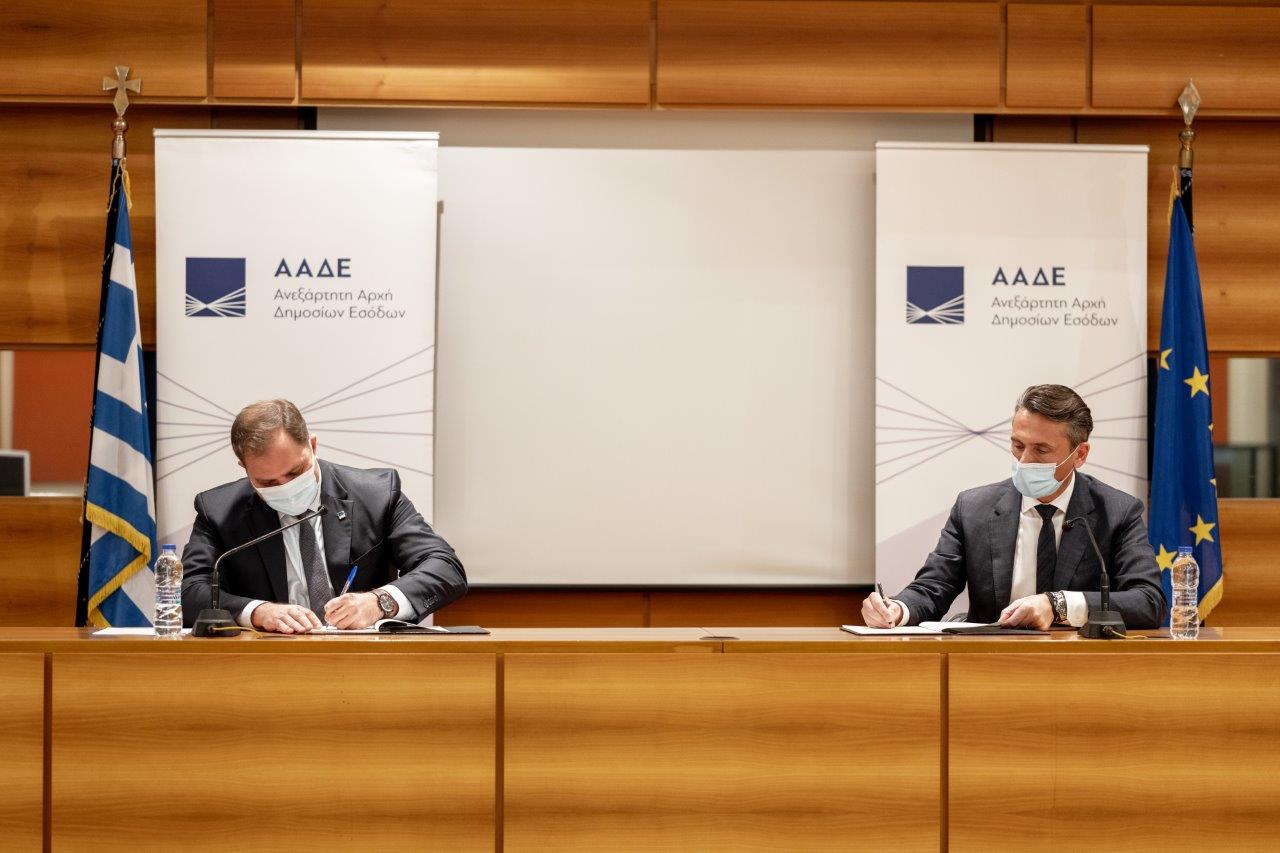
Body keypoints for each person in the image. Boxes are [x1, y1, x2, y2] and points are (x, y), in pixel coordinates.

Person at [863, 384, 1164, 630]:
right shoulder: (973, 508)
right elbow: (933, 587)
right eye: (1018, 445)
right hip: (990, 665)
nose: (1024, 461)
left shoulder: (1117, 511)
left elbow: (1148, 601)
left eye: (1041, 450)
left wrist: (1057, 604)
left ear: (1080, 454)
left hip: (1077, 667)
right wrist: (896, 609)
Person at [181, 399, 466, 633]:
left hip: (368, 659)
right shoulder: (218, 510)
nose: (285, 487)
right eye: (267, 482)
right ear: (243, 467)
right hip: (267, 662)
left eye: (295, 472)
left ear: (313, 446)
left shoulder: (376, 494)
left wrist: (379, 602)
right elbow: (189, 592)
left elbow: (444, 567)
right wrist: (257, 612)